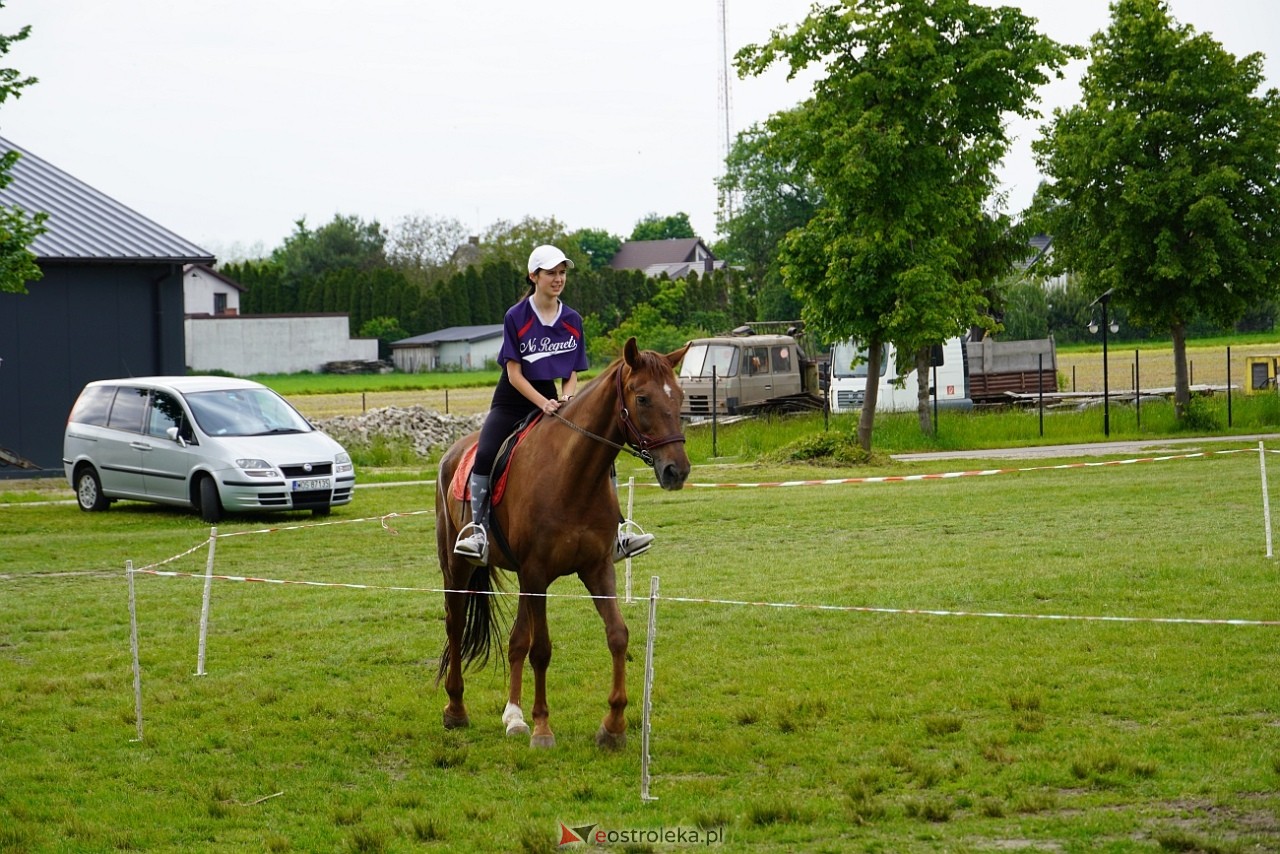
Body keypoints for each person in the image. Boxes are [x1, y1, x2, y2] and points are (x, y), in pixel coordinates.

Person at [453, 244, 655, 566]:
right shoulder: (515, 317)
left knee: (601, 455)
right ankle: (477, 531)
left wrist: (568, 398)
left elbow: (571, 372)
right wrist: (542, 404)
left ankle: (617, 533)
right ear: (534, 276)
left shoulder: (572, 319)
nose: (558, 279)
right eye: (551, 273)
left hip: (553, 400)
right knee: (487, 453)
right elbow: (514, 374)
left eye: (562, 273)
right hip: (512, 401)